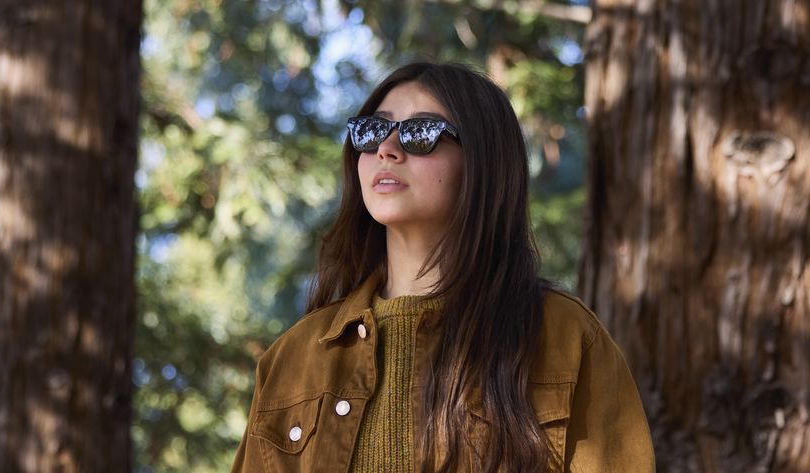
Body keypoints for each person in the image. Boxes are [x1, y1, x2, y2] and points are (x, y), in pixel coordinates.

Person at [230, 62, 655, 473]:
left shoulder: (563, 337)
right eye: (374, 130)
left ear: (483, 162)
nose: (387, 149)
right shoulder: (293, 357)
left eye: (420, 133)